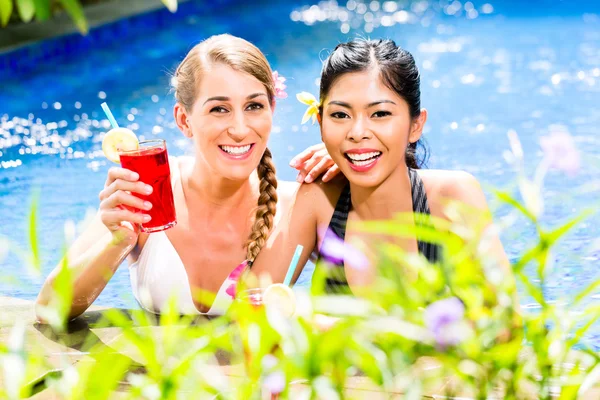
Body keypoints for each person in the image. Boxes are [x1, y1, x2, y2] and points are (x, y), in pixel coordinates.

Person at [35, 34, 340, 319]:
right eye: (219, 109)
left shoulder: (305, 203)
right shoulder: (149, 187)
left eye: (254, 106)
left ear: (271, 110)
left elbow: (377, 295)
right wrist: (118, 241)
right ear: (184, 120)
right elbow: (49, 309)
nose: (240, 128)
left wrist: (350, 163)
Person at [250, 38, 514, 295]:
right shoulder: (319, 201)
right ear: (321, 124)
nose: (357, 132)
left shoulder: (451, 197)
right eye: (340, 115)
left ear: (415, 125)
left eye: (380, 114)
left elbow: (504, 324)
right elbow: (248, 309)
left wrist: (321, 322)